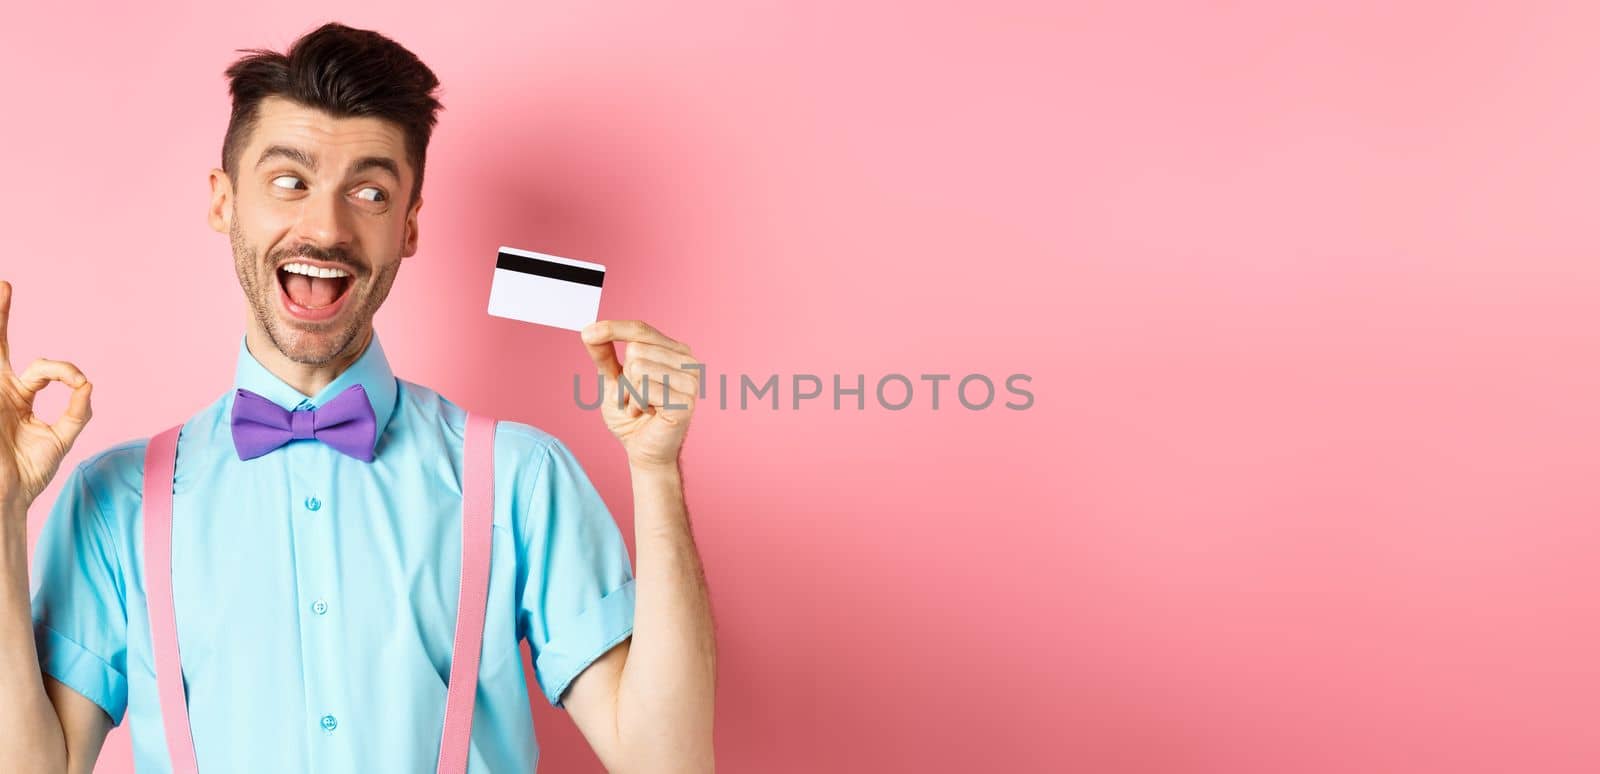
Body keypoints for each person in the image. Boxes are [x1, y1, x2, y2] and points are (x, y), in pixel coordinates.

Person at [0, 21, 715, 774]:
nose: (325, 227)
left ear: (408, 226)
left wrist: (657, 472)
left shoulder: (521, 477)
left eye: (369, 193)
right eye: (289, 182)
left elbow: (664, 762)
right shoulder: (114, 500)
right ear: (222, 201)